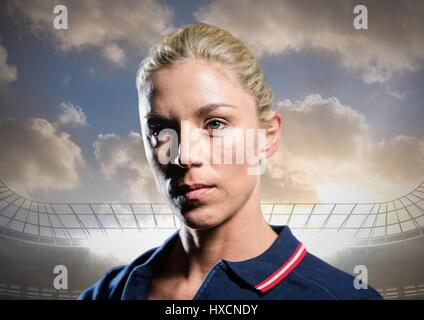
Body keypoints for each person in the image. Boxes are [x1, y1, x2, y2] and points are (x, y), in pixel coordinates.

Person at [78, 23, 382, 300]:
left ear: (267, 136)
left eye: (215, 124)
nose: (184, 155)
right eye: (160, 130)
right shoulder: (104, 295)